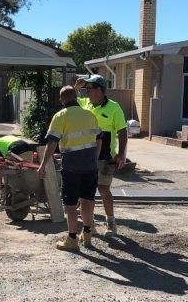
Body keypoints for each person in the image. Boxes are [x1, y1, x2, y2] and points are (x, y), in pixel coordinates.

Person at [37, 86, 102, 252]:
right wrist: (94, 158)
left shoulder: (60, 116)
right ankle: (87, 235)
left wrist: (43, 165)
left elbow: (51, 143)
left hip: (72, 166)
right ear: (76, 97)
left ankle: (72, 239)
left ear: (62, 100)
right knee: (87, 201)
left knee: (71, 205)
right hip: (90, 166)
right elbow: (99, 138)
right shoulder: (90, 115)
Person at [77, 74, 128, 236]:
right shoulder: (84, 104)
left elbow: (122, 132)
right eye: (86, 89)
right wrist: (76, 88)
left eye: (90, 89)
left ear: (100, 90)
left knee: (104, 189)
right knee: (87, 192)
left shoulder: (114, 107)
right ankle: (90, 224)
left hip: (106, 157)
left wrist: (121, 154)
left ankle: (111, 223)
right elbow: (66, 100)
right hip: (86, 156)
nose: (87, 92)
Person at [0, 134, 39, 207]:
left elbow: (0, 160)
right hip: (28, 149)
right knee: (26, 171)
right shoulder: (7, 138)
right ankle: (31, 194)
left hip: (16, 151)